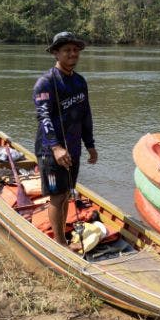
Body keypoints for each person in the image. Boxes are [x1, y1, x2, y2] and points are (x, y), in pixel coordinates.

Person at [33, 31, 98, 246]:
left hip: (73, 150)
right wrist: (56, 148)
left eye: (75, 50)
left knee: (68, 195)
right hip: (50, 153)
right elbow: (43, 117)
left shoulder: (80, 81)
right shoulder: (46, 83)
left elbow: (85, 114)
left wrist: (90, 145)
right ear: (55, 53)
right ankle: (59, 244)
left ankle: (62, 235)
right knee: (57, 197)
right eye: (67, 50)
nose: (72, 54)